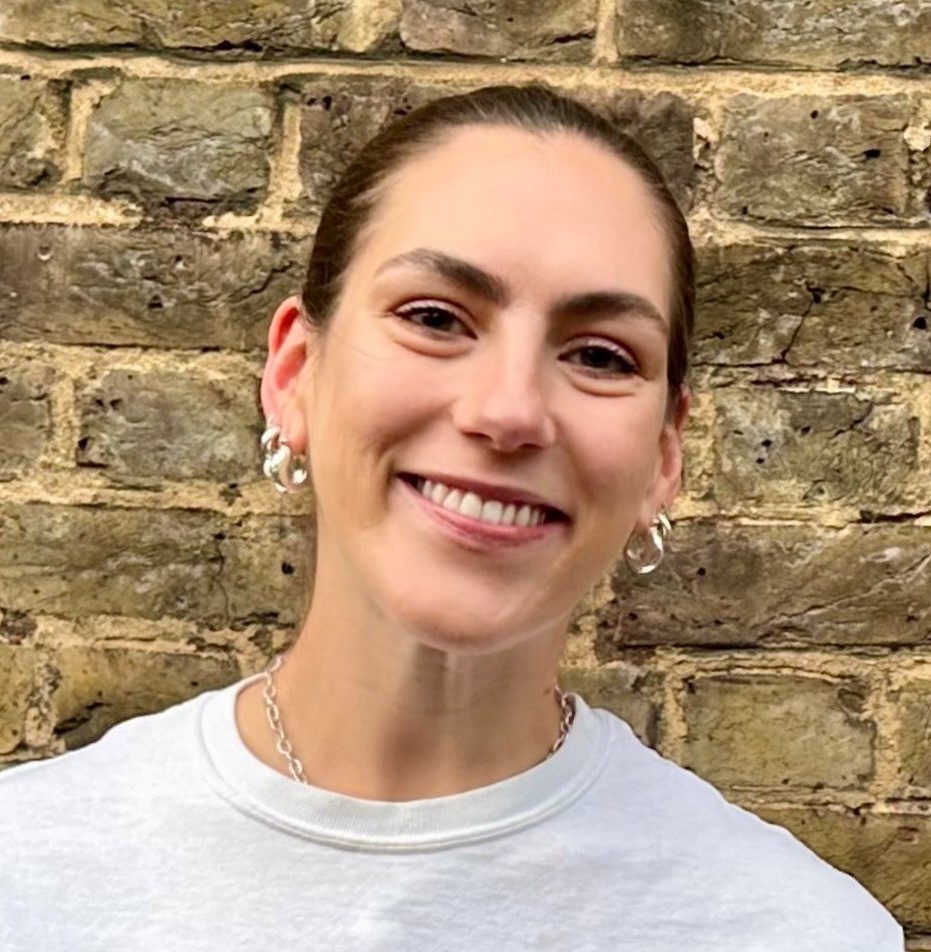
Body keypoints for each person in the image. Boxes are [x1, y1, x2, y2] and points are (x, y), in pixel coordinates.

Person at [0, 85, 903, 951]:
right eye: (434, 317)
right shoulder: (29, 875)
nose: (508, 410)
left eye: (598, 355)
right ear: (293, 377)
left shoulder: (794, 931)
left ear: (661, 459)